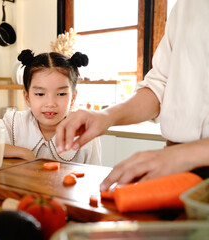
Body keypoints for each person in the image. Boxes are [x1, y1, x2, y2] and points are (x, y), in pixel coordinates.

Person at [55, 0, 209, 191]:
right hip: (172, 165)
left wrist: (186, 155)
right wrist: (107, 116)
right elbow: (159, 86)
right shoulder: (187, 5)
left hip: (176, 159)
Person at [0, 49, 101, 164]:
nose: (50, 103)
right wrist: (24, 153)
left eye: (61, 94)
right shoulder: (13, 122)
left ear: (73, 97)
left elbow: (95, 178)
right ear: (27, 97)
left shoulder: (87, 134)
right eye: (40, 94)